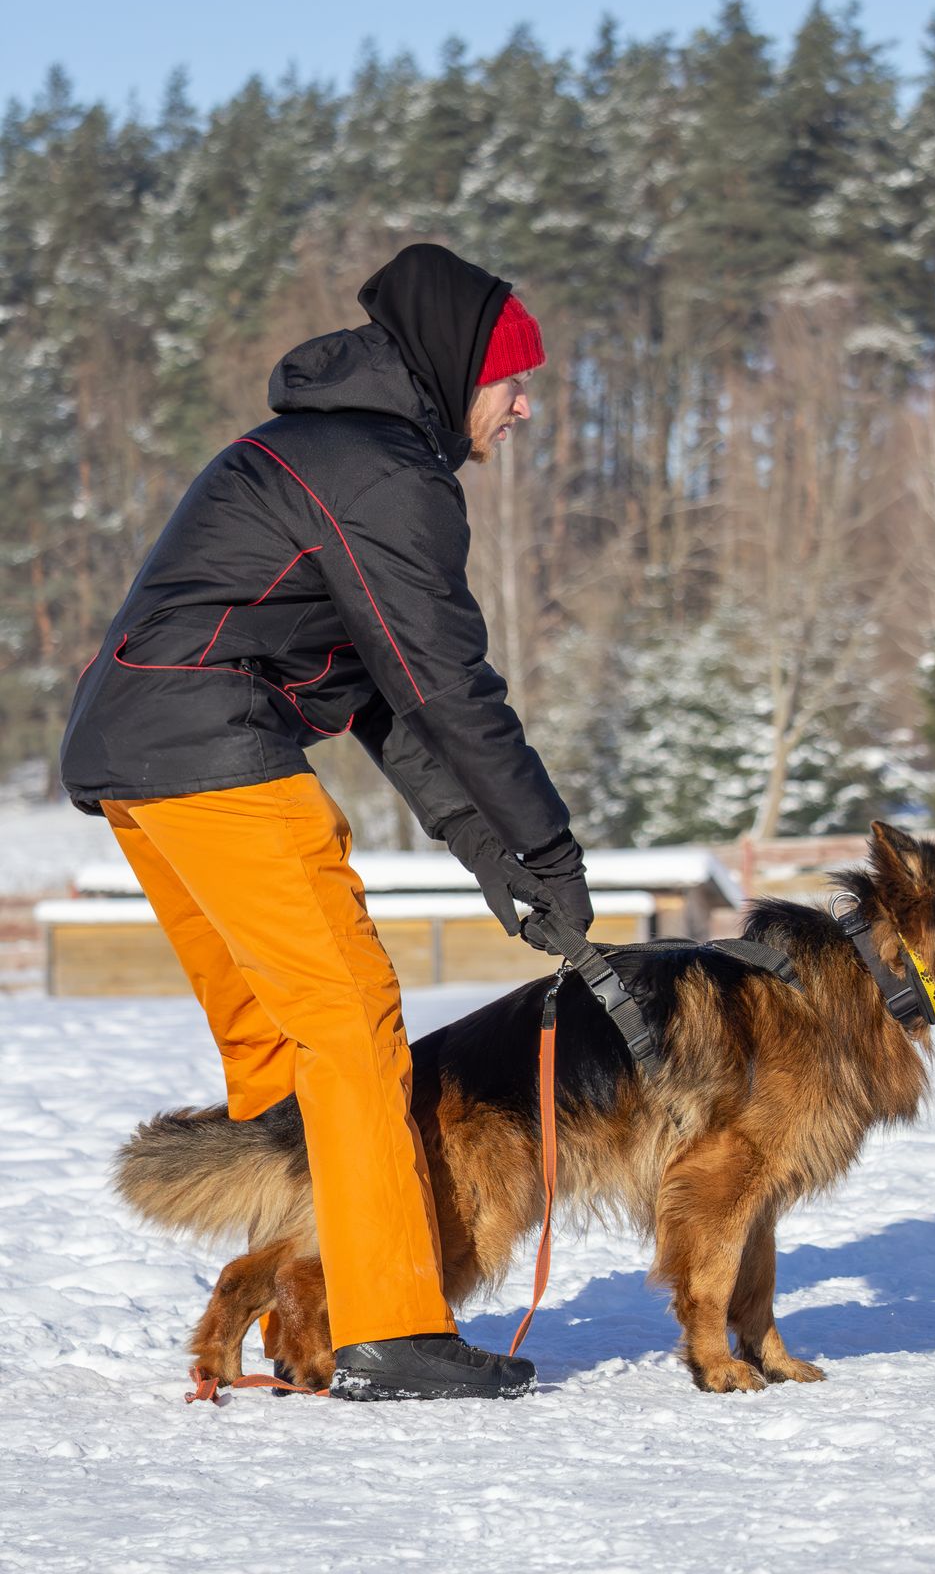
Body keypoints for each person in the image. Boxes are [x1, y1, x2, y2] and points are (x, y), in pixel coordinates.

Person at [60, 243, 593, 1402]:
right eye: (512, 381)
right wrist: (549, 848)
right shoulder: (382, 474)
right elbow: (448, 687)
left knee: (276, 1037)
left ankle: (303, 1313)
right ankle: (386, 1323)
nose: (524, 406)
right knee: (351, 1026)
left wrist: (495, 857)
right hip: (209, 747)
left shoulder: (330, 453)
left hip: (139, 754)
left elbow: (388, 701)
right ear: (458, 370)